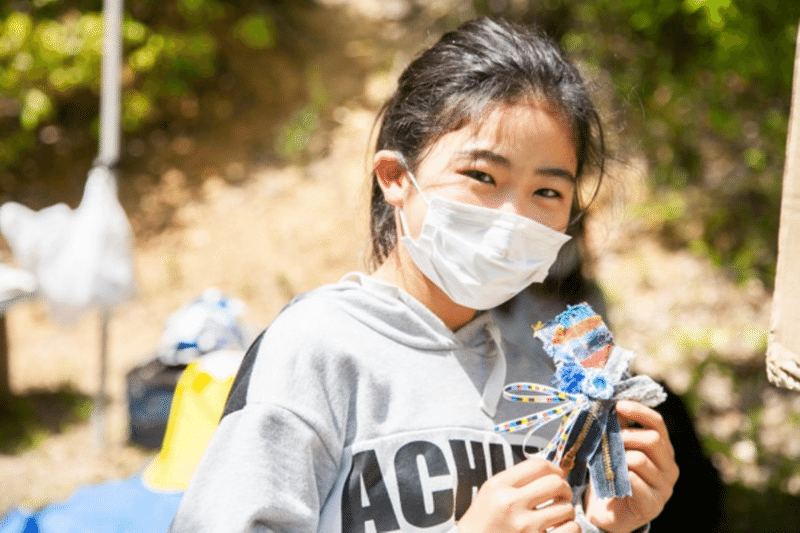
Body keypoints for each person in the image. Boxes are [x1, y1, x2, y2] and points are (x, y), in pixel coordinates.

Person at [170, 17, 678, 533]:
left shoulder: (552, 383)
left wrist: (611, 526)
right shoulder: (318, 348)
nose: (513, 218)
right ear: (395, 177)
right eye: (481, 176)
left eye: (546, 192)